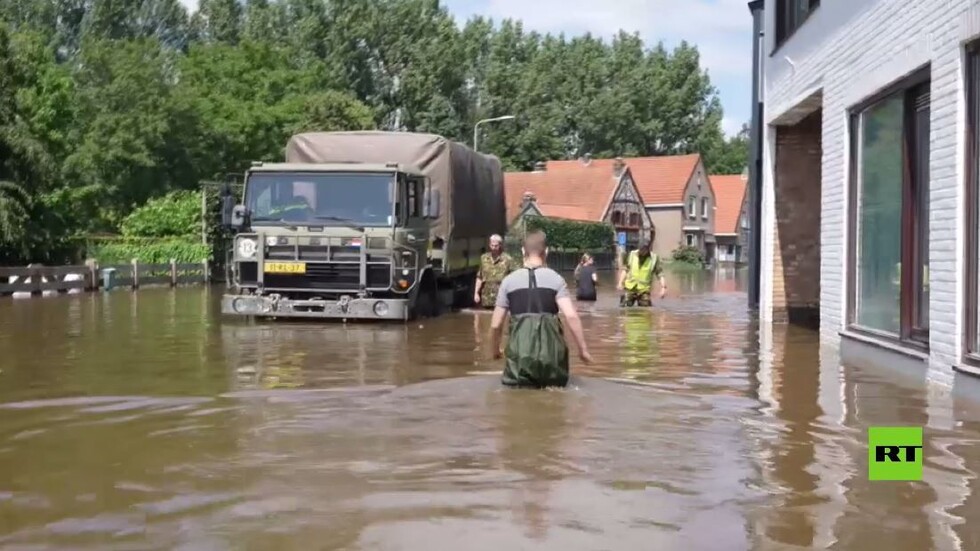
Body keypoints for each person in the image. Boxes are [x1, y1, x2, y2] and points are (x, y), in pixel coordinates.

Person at [491, 231, 592, 388]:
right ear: (547, 252)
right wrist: (583, 350)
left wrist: (495, 350)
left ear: (523, 251)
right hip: (552, 359)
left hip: (519, 360)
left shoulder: (508, 282)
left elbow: (496, 324)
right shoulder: (556, 279)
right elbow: (571, 316)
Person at [616, 238, 666, 307]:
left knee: (646, 309)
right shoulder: (632, 254)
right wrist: (620, 283)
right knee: (624, 307)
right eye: (640, 249)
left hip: (644, 289)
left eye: (644, 249)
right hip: (630, 287)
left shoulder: (654, 258)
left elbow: (660, 274)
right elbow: (625, 269)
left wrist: (663, 288)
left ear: (648, 249)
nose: (641, 251)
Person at [474, 234, 517, 309]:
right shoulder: (484, 258)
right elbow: (479, 277)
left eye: (496, 246)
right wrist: (476, 293)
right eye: (492, 245)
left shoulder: (507, 259)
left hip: (502, 299)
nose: (493, 248)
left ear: (500, 245)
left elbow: (513, 279)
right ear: (489, 244)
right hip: (486, 299)